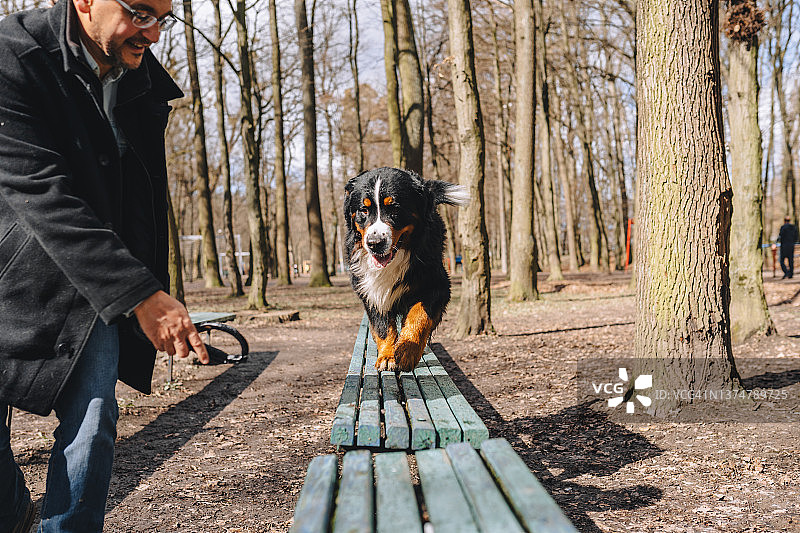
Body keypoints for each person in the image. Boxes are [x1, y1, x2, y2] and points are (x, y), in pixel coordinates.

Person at [0, 0, 209, 530]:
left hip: (97, 288)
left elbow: (141, 199)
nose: (154, 33)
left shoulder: (141, 81)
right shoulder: (13, 56)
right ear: (86, 1)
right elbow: (40, 191)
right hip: (10, 276)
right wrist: (143, 294)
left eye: (163, 17)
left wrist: (140, 283)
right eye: (140, 12)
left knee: (93, 422)